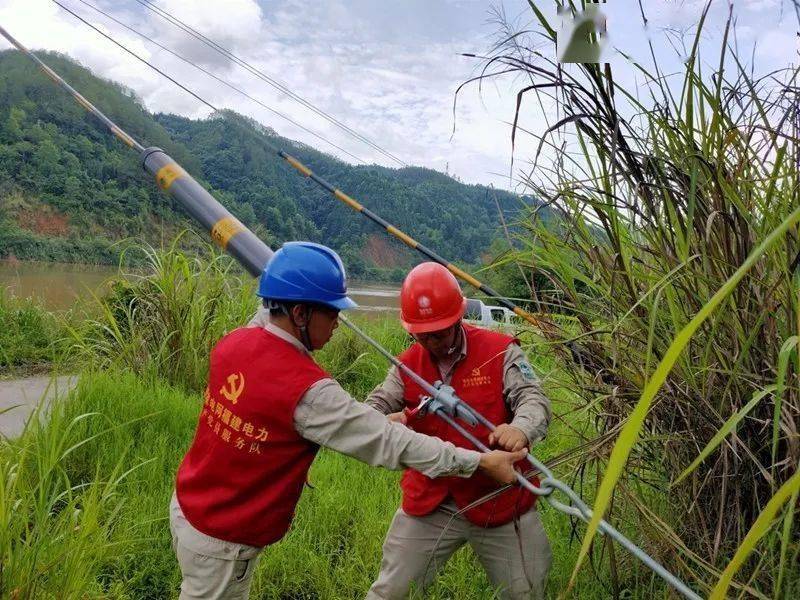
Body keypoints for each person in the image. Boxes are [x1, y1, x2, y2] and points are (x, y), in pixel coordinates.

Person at [169, 242, 529, 600]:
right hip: (222, 541)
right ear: (300, 314)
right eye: (333, 313)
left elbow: (266, 319)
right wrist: (479, 461)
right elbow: (390, 441)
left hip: (189, 508)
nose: (339, 324)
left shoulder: (235, 341)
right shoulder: (308, 391)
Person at [365, 262, 552, 600]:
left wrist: (521, 429)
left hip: (499, 498)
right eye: (421, 335)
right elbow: (372, 409)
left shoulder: (500, 350)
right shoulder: (406, 365)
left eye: (439, 332)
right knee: (390, 592)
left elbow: (533, 398)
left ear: (457, 318)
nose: (431, 342)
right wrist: (379, 420)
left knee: (526, 592)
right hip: (431, 500)